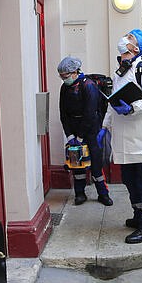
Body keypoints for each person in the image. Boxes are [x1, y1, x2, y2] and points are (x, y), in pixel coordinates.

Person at [97, 29, 142, 244]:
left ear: (137, 48)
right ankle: (138, 215)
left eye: (130, 38)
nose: (125, 38)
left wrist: (133, 107)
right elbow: (113, 101)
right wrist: (105, 126)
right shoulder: (120, 71)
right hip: (123, 136)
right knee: (129, 179)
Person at [58, 56, 113, 206]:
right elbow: (63, 113)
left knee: (96, 164)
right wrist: (70, 135)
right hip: (74, 128)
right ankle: (80, 193)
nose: (64, 79)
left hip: (91, 128)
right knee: (77, 164)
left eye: (66, 76)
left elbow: (90, 113)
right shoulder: (65, 88)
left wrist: (81, 136)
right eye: (61, 76)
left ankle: (103, 194)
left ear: (75, 72)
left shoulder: (88, 86)